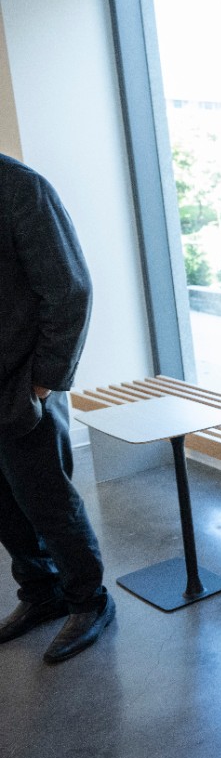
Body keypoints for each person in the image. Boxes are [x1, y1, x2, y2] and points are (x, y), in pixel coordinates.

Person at [0, 153, 115, 664]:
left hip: (21, 384)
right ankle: (41, 592)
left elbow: (70, 291)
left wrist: (43, 383)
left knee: (46, 498)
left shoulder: (20, 188)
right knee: (4, 503)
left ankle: (88, 601)